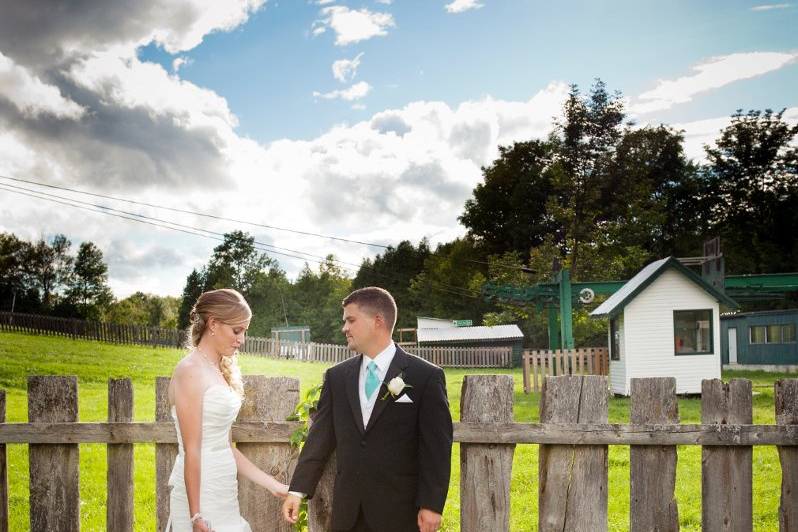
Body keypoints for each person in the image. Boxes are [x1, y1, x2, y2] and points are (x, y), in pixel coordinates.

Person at [283, 287, 453, 532]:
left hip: (400, 513)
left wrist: (432, 505)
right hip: (348, 513)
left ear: (378, 321)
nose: (345, 328)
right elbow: (319, 438)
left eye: (351, 320)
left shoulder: (425, 376)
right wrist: (297, 491)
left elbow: (436, 449)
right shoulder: (337, 377)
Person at [166, 288, 288, 531]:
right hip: (201, 494)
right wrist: (195, 515)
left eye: (244, 331)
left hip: (224, 489)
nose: (241, 340)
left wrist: (272, 485)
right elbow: (192, 449)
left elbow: (225, 447)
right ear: (213, 323)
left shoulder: (219, 370)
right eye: (237, 330)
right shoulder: (189, 370)